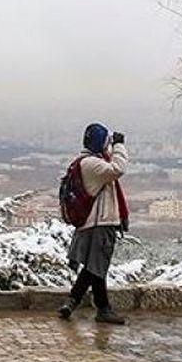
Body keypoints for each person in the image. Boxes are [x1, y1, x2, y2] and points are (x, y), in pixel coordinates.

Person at [59, 122, 129, 325]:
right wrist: (120, 147)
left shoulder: (84, 162)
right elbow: (118, 169)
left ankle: (88, 305)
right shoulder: (92, 164)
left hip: (90, 222)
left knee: (95, 267)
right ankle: (88, 305)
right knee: (96, 267)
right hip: (100, 222)